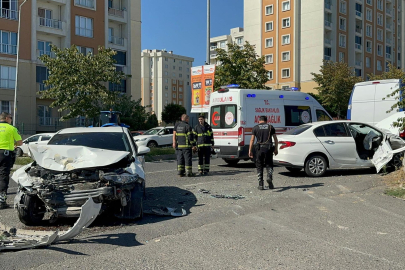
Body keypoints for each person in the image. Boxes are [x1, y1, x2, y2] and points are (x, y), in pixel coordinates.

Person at [248, 116, 278, 190]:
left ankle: (261, 184)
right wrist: (276, 149)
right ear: (266, 121)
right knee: (269, 164)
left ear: (259, 121)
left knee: (259, 165)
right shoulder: (271, 127)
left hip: (259, 149)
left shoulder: (255, 127)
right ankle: (269, 177)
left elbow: (252, 140)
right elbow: (275, 139)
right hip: (268, 148)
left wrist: (250, 150)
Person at [0, 112, 22, 209]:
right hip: (5, 155)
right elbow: (20, 142)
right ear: (7, 118)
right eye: (11, 118)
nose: (11, 119)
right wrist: (14, 144)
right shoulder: (12, 128)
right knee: (3, 176)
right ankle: (1, 200)